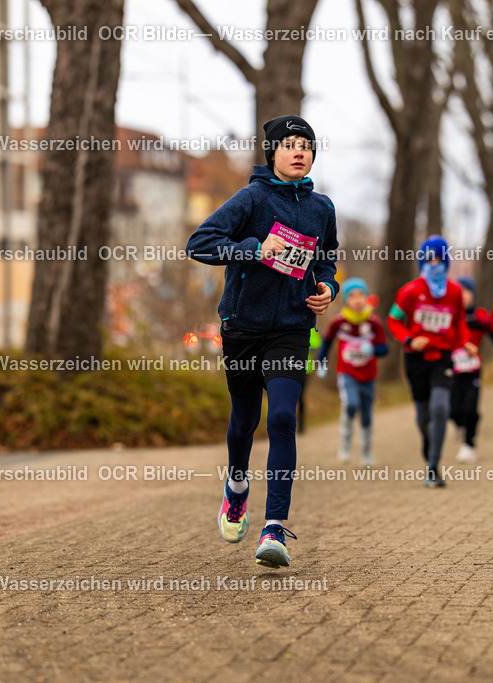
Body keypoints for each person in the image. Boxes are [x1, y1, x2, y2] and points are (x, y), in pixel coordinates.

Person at [186, 114, 338, 568]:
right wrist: (253, 250)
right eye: (289, 144)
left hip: (292, 330)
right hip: (244, 330)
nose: (299, 152)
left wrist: (326, 287)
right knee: (244, 422)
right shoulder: (251, 199)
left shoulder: (322, 208)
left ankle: (274, 529)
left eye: (306, 146)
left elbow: (326, 257)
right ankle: (236, 486)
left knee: (284, 419)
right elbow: (200, 243)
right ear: (271, 152)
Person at [388, 236, 476, 487]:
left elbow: (459, 322)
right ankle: (429, 449)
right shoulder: (410, 291)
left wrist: (466, 342)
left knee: (440, 408)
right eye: (429, 259)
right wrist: (409, 339)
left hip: (443, 358)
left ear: (446, 261)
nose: (434, 264)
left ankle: (434, 467)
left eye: (438, 259)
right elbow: (394, 320)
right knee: (422, 417)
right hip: (415, 359)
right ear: (422, 261)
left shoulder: (455, 291)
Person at [316, 277, 388, 467]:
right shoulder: (338, 322)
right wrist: (321, 363)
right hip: (347, 373)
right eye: (352, 296)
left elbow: (384, 349)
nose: (357, 300)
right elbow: (327, 342)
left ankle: (366, 451)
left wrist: (371, 349)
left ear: (366, 297)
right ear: (346, 300)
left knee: (366, 414)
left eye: (360, 295)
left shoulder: (373, 322)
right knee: (350, 404)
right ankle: (345, 445)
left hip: (369, 375)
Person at [450, 276, 493, 463]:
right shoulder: (449, 316)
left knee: (471, 407)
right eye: (460, 292)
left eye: (467, 292)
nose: (464, 296)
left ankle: (469, 444)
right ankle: (458, 424)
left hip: (474, 370)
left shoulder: (479, 315)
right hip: (453, 370)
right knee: (453, 409)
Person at [297, 327, 323, 435]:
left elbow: (316, 343)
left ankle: (301, 423)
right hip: (285, 366)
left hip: (305, 368)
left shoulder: (308, 325)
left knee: (300, 397)